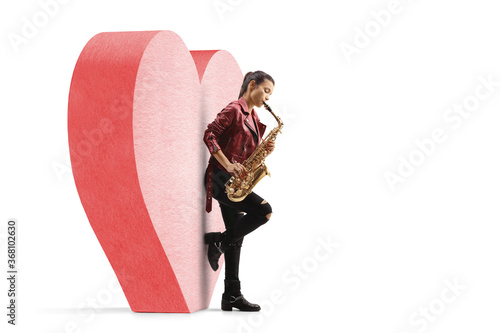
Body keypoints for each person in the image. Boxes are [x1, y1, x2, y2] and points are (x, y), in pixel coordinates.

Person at [203, 70, 275, 311]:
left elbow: (245, 153)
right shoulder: (235, 109)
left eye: (270, 94)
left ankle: (231, 295)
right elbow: (210, 135)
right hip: (221, 179)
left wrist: (265, 149)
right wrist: (227, 164)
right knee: (264, 212)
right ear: (252, 85)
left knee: (237, 235)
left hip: (235, 183)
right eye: (266, 90)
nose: (267, 97)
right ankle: (218, 242)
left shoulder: (254, 118)